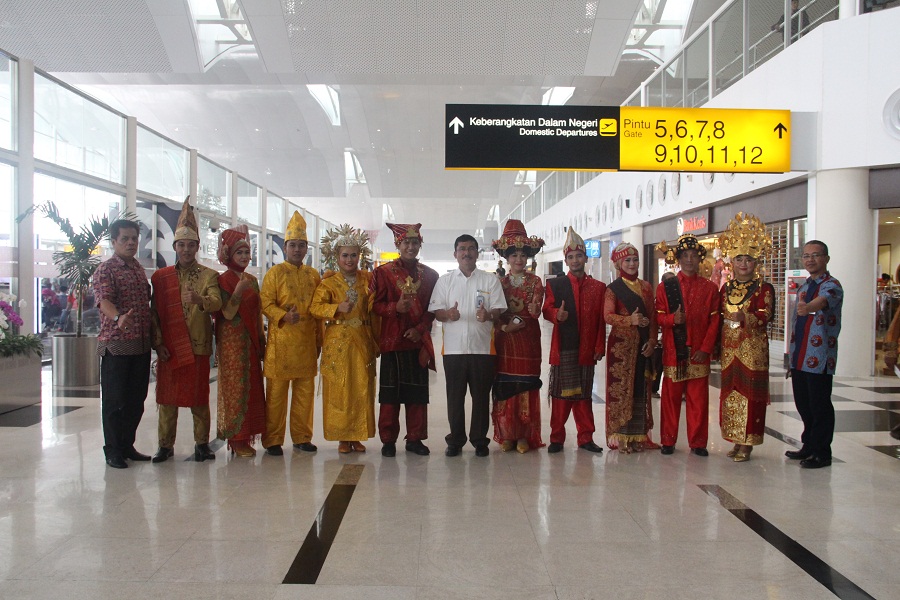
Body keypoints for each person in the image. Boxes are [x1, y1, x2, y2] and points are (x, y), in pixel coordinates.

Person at [150, 197, 222, 463]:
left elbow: (217, 302)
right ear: (175, 247)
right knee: (167, 400)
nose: (186, 249)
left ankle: (202, 444)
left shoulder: (208, 276)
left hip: (198, 346)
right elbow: (154, 313)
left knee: (198, 398)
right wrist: (158, 344)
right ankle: (165, 446)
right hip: (170, 347)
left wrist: (200, 300)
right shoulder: (161, 278)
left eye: (191, 245)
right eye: (181, 244)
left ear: (198, 247)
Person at [428, 234, 507, 457]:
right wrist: (448, 314)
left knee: (481, 397)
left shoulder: (489, 280)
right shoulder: (445, 281)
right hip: (453, 350)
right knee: (455, 398)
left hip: (483, 349)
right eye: (462, 249)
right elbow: (436, 312)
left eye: (471, 248)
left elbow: (498, 309)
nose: (466, 253)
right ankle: (455, 440)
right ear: (455, 254)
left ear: (477, 253)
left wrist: (488, 314)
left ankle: (480, 440)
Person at [370, 223, 439, 457]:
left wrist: (420, 329)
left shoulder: (431, 275)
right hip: (392, 342)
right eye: (406, 242)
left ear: (420, 245)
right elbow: (374, 305)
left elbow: (433, 309)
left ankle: (415, 439)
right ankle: (388, 440)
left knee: (417, 394)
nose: (411, 246)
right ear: (397, 245)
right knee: (390, 395)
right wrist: (395, 308)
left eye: (415, 242)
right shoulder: (383, 273)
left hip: (417, 343)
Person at [310, 224, 379, 454]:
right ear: (337, 257)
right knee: (339, 388)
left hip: (362, 340)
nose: (349, 260)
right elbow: (315, 308)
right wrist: (336, 308)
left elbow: (375, 307)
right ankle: (342, 437)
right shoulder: (328, 283)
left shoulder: (368, 281)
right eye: (345, 255)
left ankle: (357, 436)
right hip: (337, 343)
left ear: (360, 256)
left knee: (361, 386)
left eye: (353, 255)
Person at [260, 211, 322, 456]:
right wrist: (283, 316)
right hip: (281, 344)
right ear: (285, 247)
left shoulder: (313, 275)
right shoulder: (274, 273)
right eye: (293, 245)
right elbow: (265, 303)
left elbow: (319, 308)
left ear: (307, 249)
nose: (297, 249)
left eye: (301, 245)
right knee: (276, 395)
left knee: (305, 394)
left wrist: (320, 340)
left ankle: (302, 437)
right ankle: (273, 440)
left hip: (306, 342)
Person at [92, 219, 153, 469]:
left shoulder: (138, 268)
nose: (130, 243)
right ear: (114, 241)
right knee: (115, 402)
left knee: (136, 400)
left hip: (140, 346)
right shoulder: (106, 269)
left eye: (134, 239)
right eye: (125, 239)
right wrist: (118, 317)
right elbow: (103, 301)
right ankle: (113, 450)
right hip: (116, 346)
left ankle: (127, 445)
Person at [717, 213, 776, 463]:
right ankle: (735, 438)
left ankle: (748, 442)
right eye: (739, 259)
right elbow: (718, 315)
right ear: (732, 261)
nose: (743, 264)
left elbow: (766, 315)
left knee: (751, 395)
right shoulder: (726, 288)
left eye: (748, 259)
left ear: (756, 262)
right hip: (729, 349)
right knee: (731, 392)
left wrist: (746, 317)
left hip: (752, 349)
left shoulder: (764, 288)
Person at [542, 227, 606, 454]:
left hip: (587, 348)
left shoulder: (598, 288)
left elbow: (601, 321)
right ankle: (556, 438)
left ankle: (586, 437)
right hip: (563, 348)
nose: (575, 260)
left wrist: (599, 345)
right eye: (571, 257)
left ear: (586, 258)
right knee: (561, 396)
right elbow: (546, 309)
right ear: (566, 260)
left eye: (579, 256)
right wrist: (556, 315)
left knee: (584, 396)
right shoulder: (556, 285)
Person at [655, 234, 720, 456]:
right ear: (679, 259)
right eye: (685, 256)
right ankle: (668, 440)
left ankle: (698, 442)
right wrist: (672, 319)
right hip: (674, 350)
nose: (689, 260)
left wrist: (706, 348)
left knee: (698, 400)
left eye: (693, 255)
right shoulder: (666, 287)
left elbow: (715, 321)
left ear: (700, 258)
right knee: (670, 399)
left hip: (699, 352)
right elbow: (658, 316)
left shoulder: (710, 288)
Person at [490, 220, 546, 454]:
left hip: (528, 339)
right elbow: (494, 314)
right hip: (505, 340)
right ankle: (506, 433)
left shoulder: (536, 282)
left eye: (523, 255)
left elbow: (536, 310)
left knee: (525, 386)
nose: (519, 260)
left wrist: (535, 310)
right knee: (505, 385)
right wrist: (504, 328)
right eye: (514, 255)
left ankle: (523, 435)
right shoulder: (499, 283)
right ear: (506, 257)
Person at [787, 240, 843, 468]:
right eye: (806, 256)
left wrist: (809, 307)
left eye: (815, 255)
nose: (810, 260)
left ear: (826, 259)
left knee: (820, 405)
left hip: (819, 357)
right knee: (804, 404)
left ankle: (822, 452)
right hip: (800, 355)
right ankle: (808, 445)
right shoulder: (804, 286)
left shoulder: (832, 285)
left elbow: (822, 302)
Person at [214, 225, 266, 457]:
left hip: (251, 341)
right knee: (235, 389)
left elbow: (257, 313)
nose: (244, 256)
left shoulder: (252, 280)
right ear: (229, 255)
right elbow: (226, 313)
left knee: (252, 386)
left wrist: (261, 340)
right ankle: (236, 439)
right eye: (239, 253)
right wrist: (237, 291)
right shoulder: (223, 280)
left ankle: (248, 435)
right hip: (231, 343)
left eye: (246, 252)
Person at [603, 242, 658, 454]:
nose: (632, 264)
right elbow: (608, 316)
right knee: (621, 391)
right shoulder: (613, 289)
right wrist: (630, 320)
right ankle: (622, 438)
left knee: (639, 390)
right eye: (627, 260)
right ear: (619, 263)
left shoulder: (646, 287)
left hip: (643, 345)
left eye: (635, 260)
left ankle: (637, 436)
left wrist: (652, 341)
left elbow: (652, 317)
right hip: (621, 347)